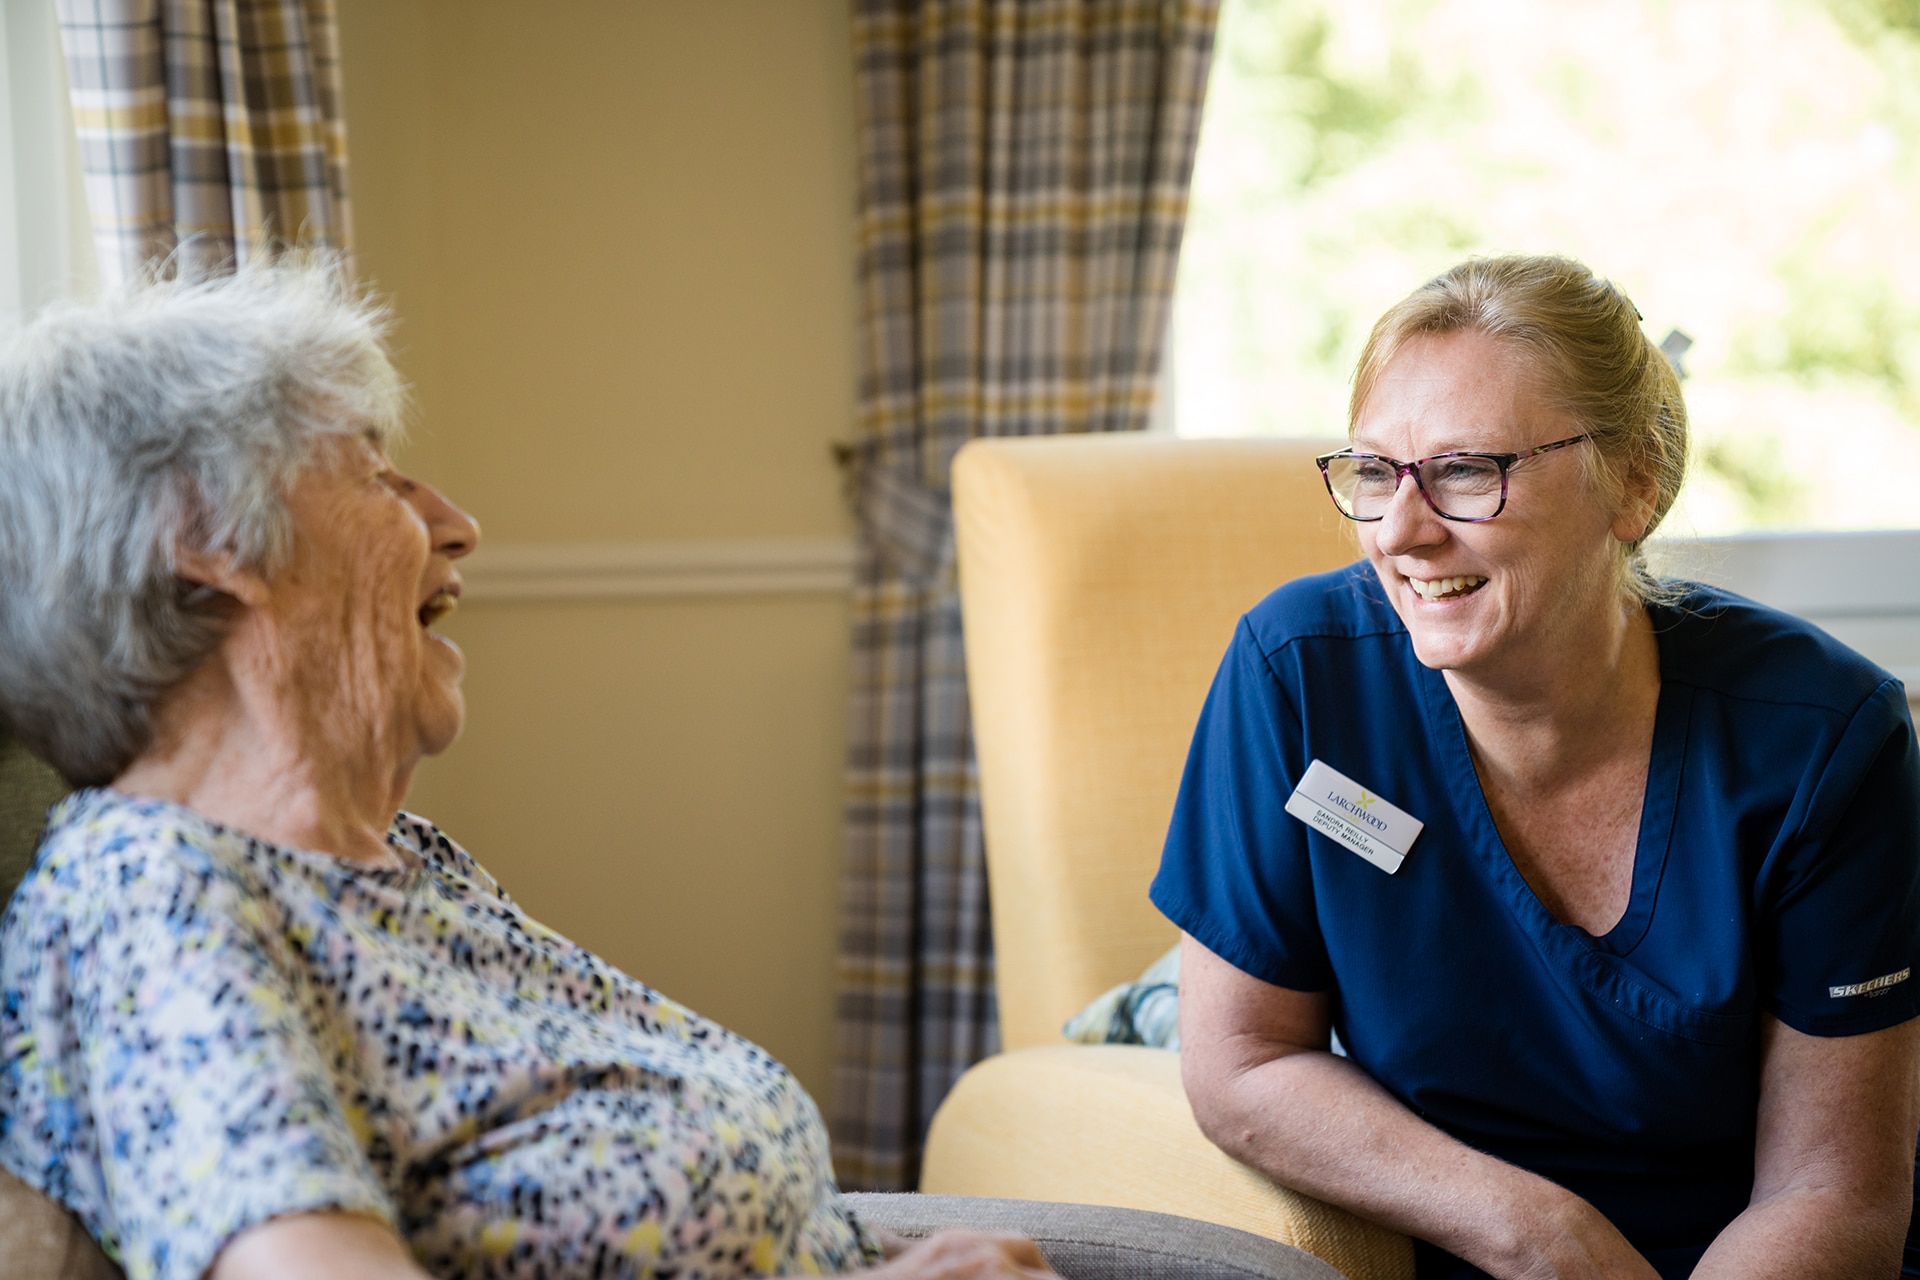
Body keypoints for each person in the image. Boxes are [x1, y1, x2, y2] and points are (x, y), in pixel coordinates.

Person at [0, 264, 1057, 1280]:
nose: (455, 524)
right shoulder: (145, 886)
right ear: (209, 538)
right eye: (375, 474)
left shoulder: (403, 864)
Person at [1150, 255, 1920, 1280]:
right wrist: (1535, 1230)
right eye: (1375, 472)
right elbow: (1244, 1060)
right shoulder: (1300, 672)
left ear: (1633, 481)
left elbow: (1832, 1190)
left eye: (1468, 469)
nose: (1402, 532)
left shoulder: (1823, 734)